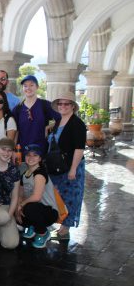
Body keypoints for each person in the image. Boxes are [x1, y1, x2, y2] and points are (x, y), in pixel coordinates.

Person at [48, 92, 86, 241]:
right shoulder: (58, 122)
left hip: (70, 167)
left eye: (66, 104)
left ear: (73, 106)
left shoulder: (77, 124)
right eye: (60, 104)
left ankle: (66, 228)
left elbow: (79, 148)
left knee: (71, 196)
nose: (63, 106)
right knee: (59, 195)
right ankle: (61, 222)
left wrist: (73, 169)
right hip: (58, 166)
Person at [16, 144, 59, 249]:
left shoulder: (40, 173)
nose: (31, 158)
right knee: (16, 208)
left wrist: (21, 205)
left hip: (49, 212)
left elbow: (36, 197)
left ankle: (43, 233)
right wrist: (17, 206)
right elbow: (20, 194)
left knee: (29, 208)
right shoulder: (25, 174)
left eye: (35, 155)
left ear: (40, 158)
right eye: (28, 155)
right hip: (35, 208)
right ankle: (32, 226)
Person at [13, 75, 60, 155]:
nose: (28, 88)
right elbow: (15, 131)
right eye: (25, 86)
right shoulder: (18, 109)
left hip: (41, 151)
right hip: (23, 152)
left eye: (31, 85)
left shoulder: (45, 105)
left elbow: (60, 119)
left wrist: (48, 127)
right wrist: (14, 151)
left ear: (37, 87)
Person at [0, 138, 21, 249]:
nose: (6, 153)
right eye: (3, 149)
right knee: (2, 217)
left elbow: (15, 195)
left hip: (7, 207)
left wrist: (10, 215)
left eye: (9, 150)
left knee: (11, 244)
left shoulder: (14, 170)